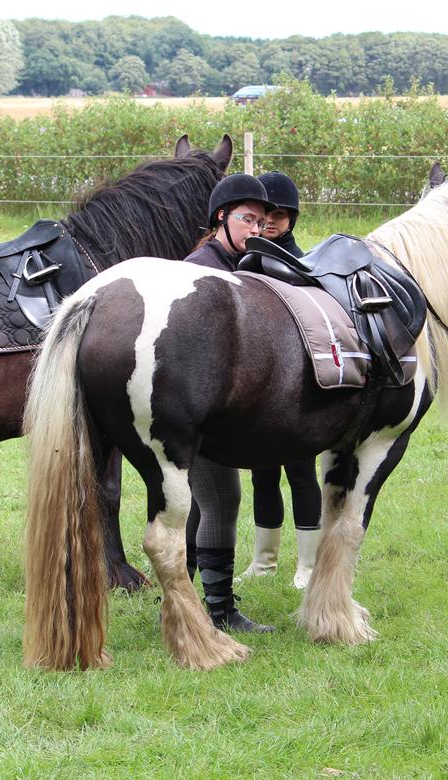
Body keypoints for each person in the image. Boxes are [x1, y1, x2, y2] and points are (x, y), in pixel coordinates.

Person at [182, 173, 276, 632]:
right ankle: (219, 612)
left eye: (261, 222)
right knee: (221, 498)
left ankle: (183, 597)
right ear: (221, 217)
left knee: (200, 503)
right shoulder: (203, 268)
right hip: (201, 408)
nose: (255, 229)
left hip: (206, 405)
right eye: (247, 219)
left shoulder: (237, 264)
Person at [239, 171, 323, 589]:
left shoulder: (300, 265)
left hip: (297, 384)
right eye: (263, 214)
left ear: (292, 217)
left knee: (302, 473)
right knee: (262, 473)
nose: (269, 220)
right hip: (260, 384)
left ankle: (307, 567)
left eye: (279, 213)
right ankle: (264, 561)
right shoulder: (249, 259)